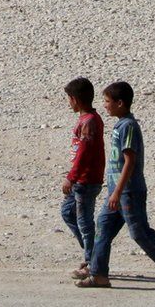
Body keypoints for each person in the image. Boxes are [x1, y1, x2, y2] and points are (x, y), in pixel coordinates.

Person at [80, 80, 155, 289]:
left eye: (107, 101)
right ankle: (98, 274)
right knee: (102, 228)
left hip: (129, 192)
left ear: (120, 103)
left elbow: (130, 161)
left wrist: (118, 192)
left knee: (140, 232)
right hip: (116, 192)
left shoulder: (129, 126)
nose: (104, 105)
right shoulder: (120, 124)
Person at [59, 78, 104, 280]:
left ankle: (92, 262)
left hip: (85, 181)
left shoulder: (90, 122)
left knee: (85, 223)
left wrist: (71, 177)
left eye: (69, 98)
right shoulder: (87, 119)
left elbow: (84, 154)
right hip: (82, 180)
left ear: (75, 99)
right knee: (68, 212)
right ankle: (93, 255)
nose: (68, 103)